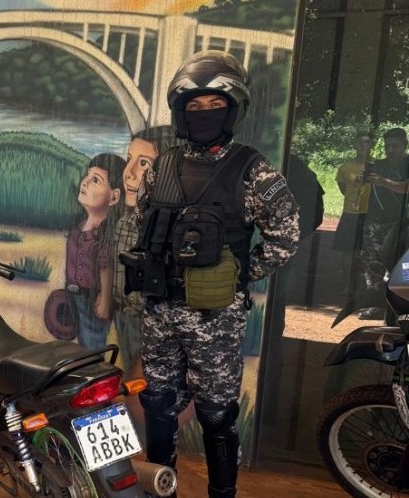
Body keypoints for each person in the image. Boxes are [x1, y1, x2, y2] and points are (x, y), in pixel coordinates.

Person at [126, 50, 299, 498]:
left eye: (215, 105)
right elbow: (143, 224)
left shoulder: (254, 171)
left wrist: (237, 275)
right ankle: (161, 488)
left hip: (215, 317)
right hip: (161, 311)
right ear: (181, 113)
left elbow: (285, 237)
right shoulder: (162, 166)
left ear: (233, 109)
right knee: (158, 403)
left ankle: (222, 493)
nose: (204, 113)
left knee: (216, 413)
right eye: (195, 106)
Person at [112, 126, 178, 372]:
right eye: (129, 160)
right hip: (124, 315)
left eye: (143, 163)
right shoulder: (125, 221)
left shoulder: (174, 226)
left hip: (154, 320)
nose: (128, 173)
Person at [65, 153, 124, 350]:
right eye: (87, 175)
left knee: (92, 344)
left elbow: (106, 266)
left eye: (96, 180)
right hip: (74, 296)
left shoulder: (105, 233)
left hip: (93, 299)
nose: (85, 182)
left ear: (114, 197)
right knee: (79, 344)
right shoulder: (78, 226)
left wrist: (105, 299)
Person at [359, 127, 409, 320]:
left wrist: (384, 182)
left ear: (404, 145)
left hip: (400, 222)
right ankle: (376, 305)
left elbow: (406, 187)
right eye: (387, 146)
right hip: (375, 221)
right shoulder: (377, 165)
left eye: (395, 146)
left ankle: (400, 306)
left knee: (401, 266)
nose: (391, 150)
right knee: (372, 264)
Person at [333, 132, 372, 295]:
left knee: (369, 251)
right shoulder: (345, 168)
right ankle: (348, 285)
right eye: (360, 142)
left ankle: (369, 287)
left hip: (371, 213)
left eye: (367, 142)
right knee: (348, 251)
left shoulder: (377, 166)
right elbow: (343, 189)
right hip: (351, 213)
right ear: (355, 145)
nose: (364, 145)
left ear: (371, 146)